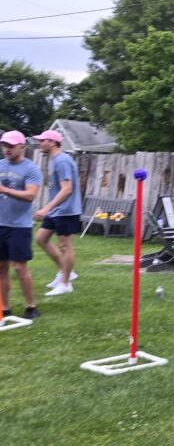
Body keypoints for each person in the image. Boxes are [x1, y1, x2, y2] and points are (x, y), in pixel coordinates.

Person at [32, 129, 81, 297]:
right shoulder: (54, 160)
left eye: (42, 141)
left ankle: (66, 284)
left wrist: (46, 208)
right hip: (57, 210)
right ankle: (65, 271)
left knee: (64, 246)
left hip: (66, 210)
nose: (39, 144)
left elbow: (67, 189)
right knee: (41, 239)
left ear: (52, 142)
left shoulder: (62, 161)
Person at [0, 131, 43, 318]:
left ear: (22, 147)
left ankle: (31, 307)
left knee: (19, 267)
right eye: (4, 145)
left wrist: (3, 189)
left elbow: (30, 195)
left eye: (11, 146)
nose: (6, 149)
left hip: (19, 226)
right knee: (1, 267)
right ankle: (4, 308)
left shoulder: (31, 169)